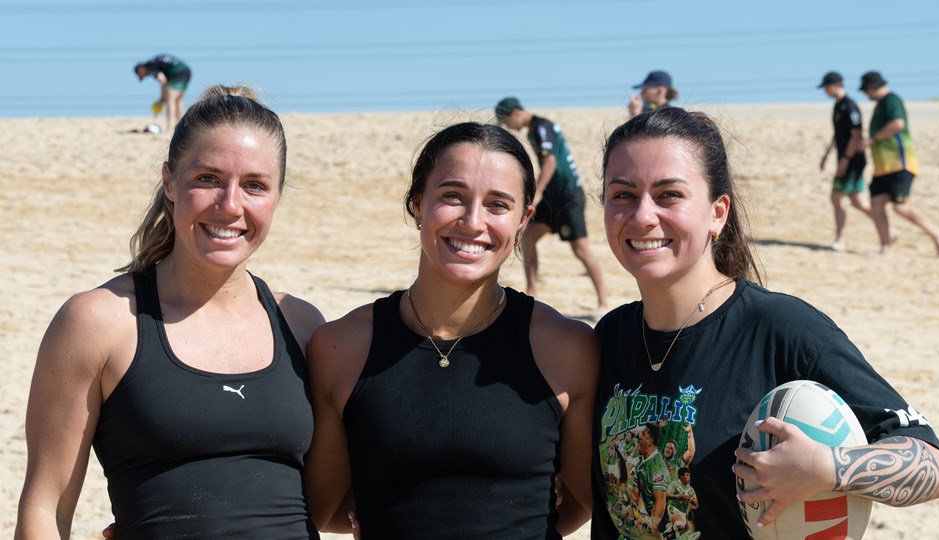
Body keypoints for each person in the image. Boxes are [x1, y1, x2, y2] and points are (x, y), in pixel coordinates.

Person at [591, 106, 939, 538]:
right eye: (623, 195)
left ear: (717, 213)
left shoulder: (782, 329)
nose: (643, 215)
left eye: (669, 194)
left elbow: (932, 465)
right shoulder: (609, 337)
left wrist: (828, 468)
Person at [15, 85, 325, 539]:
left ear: (278, 196)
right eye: (207, 178)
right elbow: (45, 508)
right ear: (169, 181)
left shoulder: (302, 325)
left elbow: (336, 503)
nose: (230, 205)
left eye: (255, 185)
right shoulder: (99, 322)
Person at [306, 122, 599, 538]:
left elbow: (585, 501)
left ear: (523, 219)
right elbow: (320, 510)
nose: (473, 221)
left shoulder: (566, 348)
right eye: (452, 196)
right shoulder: (341, 348)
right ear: (417, 202)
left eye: (498, 205)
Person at [494, 97, 608, 313]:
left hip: (567, 195)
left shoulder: (541, 127)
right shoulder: (534, 129)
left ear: (516, 112)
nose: (508, 127)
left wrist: (536, 193)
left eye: (506, 121)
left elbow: (551, 163)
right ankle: (532, 294)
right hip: (552, 195)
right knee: (528, 238)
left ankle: (603, 302)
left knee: (580, 249)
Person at [859, 70, 939, 256]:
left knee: (901, 207)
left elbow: (897, 123)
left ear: (872, 88)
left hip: (900, 163)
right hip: (882, 167)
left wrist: (872, 139)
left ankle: (937, 233)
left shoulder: (891, 100)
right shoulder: (881, 104)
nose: (865, 94)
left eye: (866, 90)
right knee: (876, 205)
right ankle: (885, 247)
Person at [817, 71, 873, 251]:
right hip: (846, 159)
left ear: (836, 85)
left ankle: (840, 239)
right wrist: (826, 155)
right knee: (857, 201)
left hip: (853, 160)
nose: (825, 91)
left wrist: (846, 159)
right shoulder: (838, 106)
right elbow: (838, 134)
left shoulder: (850, 106)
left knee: (836, 197)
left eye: (826, 87)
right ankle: (887, 230)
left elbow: (856, 134)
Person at [134, 53, 192, 133]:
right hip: (186, 70)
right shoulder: (154, 61)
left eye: (141, 75)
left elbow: (162, 81)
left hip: (176, 72)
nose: (144, 77)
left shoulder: (151, 66)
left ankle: (169, 128)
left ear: (140, 69)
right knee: (178, 99)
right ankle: (181, 127)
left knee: (170, 100)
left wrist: (161, 100)